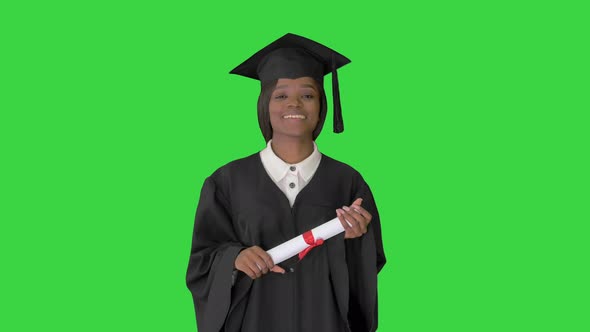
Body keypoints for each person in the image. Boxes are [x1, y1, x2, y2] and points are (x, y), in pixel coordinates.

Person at [186, 33, 386, 332]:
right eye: (281, 95)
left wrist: (356, 241)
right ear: (265, 104)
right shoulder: (226, 181)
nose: (294, 103)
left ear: (321, 105)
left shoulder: (347, 181)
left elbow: (371, 264)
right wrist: (235, 258)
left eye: (307, 95)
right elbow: (201, 262)